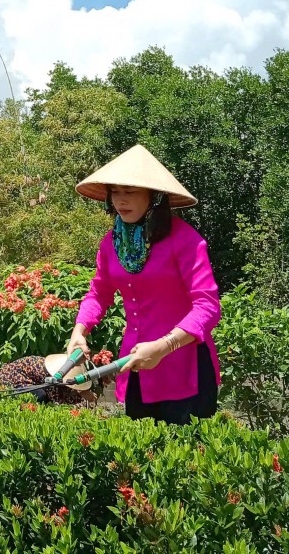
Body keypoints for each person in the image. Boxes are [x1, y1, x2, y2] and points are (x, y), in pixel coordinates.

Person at [66, 145, 222, 425]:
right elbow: (98, 293)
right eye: (115, 192)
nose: (120, 201)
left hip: (184, 366)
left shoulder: (185, 240)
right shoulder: (111, 244)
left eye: (131, 192)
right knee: (140, 458)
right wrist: (80, 330)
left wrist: (164, 346)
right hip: (136, 363)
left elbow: (207, 307)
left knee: (186, 457)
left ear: (154, 196)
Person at [0, 353, 103, 406]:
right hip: (12, 379)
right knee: (42, 396)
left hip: (23, 376)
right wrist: (80, 396)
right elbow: (56, 399)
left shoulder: (56, 369)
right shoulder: (50, 374)